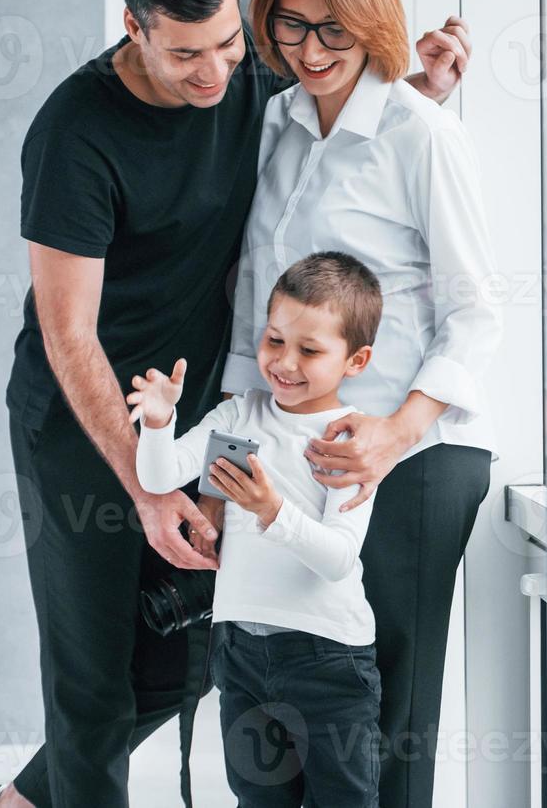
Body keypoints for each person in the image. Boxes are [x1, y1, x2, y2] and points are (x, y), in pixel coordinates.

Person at [0, 0, 470, 808]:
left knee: (204, 643)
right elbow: (67, 333)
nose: (215, 73)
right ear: (134, 25)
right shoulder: (76, 130)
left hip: (203, 412)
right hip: (80, 420)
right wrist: (149, 485)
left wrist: (420, 89)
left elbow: (335, 113)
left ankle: (22, 800)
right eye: (187, 54)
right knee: (92, 678)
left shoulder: (248, 82)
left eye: (231, 44)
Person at [214, 0, 502, 808]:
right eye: (292, 26)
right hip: (298, 460)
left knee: (386, 731)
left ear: (373, 20)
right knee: (287, 722)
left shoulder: (421, 135)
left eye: (335, 28)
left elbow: (476, 312)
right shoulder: (278, 125)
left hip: (412, 460)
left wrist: (392, 434)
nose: (311, 49)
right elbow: (252, 301)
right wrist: (222, 460)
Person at [130, 251, 386, 808]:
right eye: (274, 341)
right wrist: (157, 422)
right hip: (242, 653)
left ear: (356, 360)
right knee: (257, 799)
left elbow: (339, 558)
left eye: (310, 350)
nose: (285, 363)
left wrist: (273, 512)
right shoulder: (239, 417)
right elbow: (161, 474)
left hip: (329, 658)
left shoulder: (348, 442)